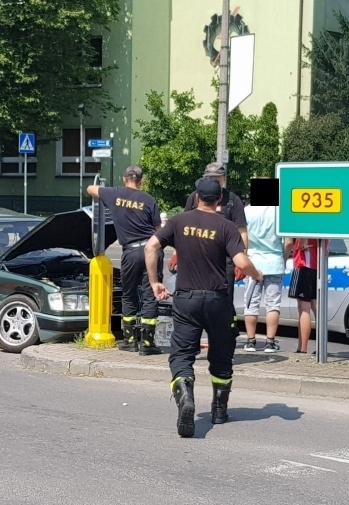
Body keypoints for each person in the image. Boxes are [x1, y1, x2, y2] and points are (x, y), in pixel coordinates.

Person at [144, 177, 263, 438]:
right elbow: (241, 261)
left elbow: (151, 246)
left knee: (182, 355)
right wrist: (256, 274)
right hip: (218, 300)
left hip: (186, 299)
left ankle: (185, 393)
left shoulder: (178, 221)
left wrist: (155, 282)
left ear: (197, 197)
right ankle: (219, 410)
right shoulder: (227, 226)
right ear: (220, 200)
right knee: (222, 354)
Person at [87, 165, 163, 355]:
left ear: (124, 179)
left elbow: (90, 189)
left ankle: (129, 340)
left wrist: (102, 190)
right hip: (150, 250)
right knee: (150, 293)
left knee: (129, 294)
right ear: (141, 180)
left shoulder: (114, 194)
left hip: (129, 252)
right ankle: (147, 344)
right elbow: (158, 230)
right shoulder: (149, 200)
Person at [169, 162, 248, 336]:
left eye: (217, 179)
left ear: (224, 179)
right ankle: (193, 339)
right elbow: (183, 226)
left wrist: (241, 260)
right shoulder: (194, 197)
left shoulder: (233, 201)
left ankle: (224, 338)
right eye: (210, 178)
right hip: (194, 260)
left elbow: (241, 232)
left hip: (223, 261)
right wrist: (176, 253)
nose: (213, 182)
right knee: (192, 299)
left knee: (223, 300)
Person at [242, 205, 292, 353]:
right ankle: (270, 343)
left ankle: (251, 342)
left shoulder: (247, 211)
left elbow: (242, 238)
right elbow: (289, 242)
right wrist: (282, 259)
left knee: (250, 303)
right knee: (273, 305)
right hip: (275, 262)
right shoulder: (281, 211)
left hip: (253, 263)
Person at [287, 238, 325, 354]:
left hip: (305, 263)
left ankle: (302, 348)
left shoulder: (307, 219)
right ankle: (321, 347)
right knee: (316, 306)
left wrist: (301, 243)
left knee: (304, 308)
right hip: (319, 264)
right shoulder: (326, 220)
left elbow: (304, 228)